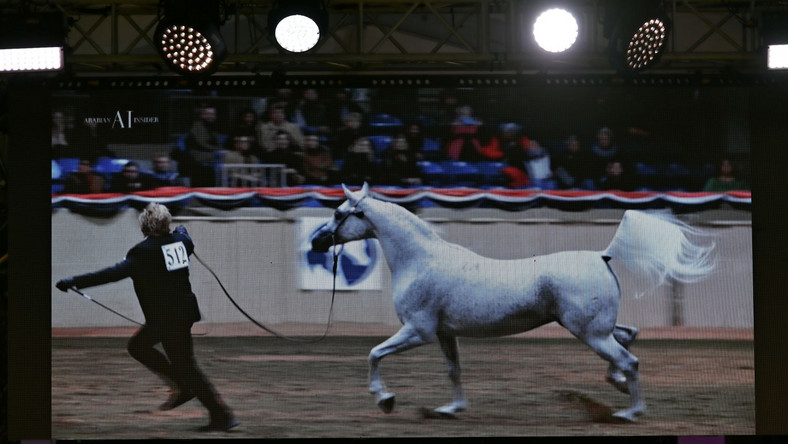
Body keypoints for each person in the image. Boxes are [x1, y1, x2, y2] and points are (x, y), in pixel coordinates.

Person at [55, 203, 239, 432]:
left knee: (172, 361)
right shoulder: (183, 243)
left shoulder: (143, 251)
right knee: (148, 350)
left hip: (165, 318)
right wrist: (180, 230)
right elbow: (184, 237)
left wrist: (73, 281)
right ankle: (195, 395)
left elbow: (111, 274)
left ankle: (215, 411)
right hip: (183, 313)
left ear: (144, 225)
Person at [185, 104, 226, 187]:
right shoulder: (197, 126)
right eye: (208, 114)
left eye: (213, 114)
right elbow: (202, 144)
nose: (211, 116)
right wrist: (219, 150)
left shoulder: (212, 128)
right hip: (198, 160)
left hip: (210, 161)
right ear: (202, 115)